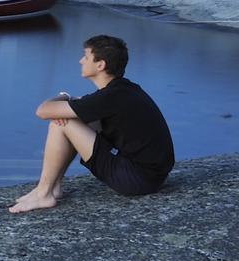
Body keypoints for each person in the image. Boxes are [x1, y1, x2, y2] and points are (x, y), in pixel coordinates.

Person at [9, 34, 174, 214]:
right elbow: (81, 109)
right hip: (151, 176)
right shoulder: (123, 90)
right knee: (72, 118)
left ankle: (44, 193)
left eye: (86, 57)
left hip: (137, 180)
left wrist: (64, 96)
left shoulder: (109, 98)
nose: (81, 61)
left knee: (62, 123)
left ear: (100, 65)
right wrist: (70, 107)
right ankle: (53, 187)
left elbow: (43, 110)